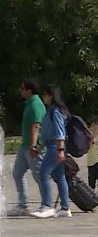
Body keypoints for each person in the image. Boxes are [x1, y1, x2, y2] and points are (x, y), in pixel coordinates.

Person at [31, 85, 71, 218]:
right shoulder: (51, 110)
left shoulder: (56, 112)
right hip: (52, 145)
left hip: (56, 147)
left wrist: (60, 150)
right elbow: (47, 134)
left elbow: (60, 133)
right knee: (60, 177)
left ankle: (47, 206)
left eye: (45, 95)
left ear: (51, 96)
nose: (43, 97)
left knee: (43, 173)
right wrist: (39, 149)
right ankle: (65, 208)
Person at [10, 78, 45, 215]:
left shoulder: (36, 104)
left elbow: (36, 126)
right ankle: (23, 204)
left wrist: (33, 146)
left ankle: (46, 204)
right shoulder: (29, 103)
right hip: (25, 147)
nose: (20, 91)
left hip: (33, 148)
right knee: (17, 173)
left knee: (39, 176)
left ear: (29, 91)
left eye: (22, 88)